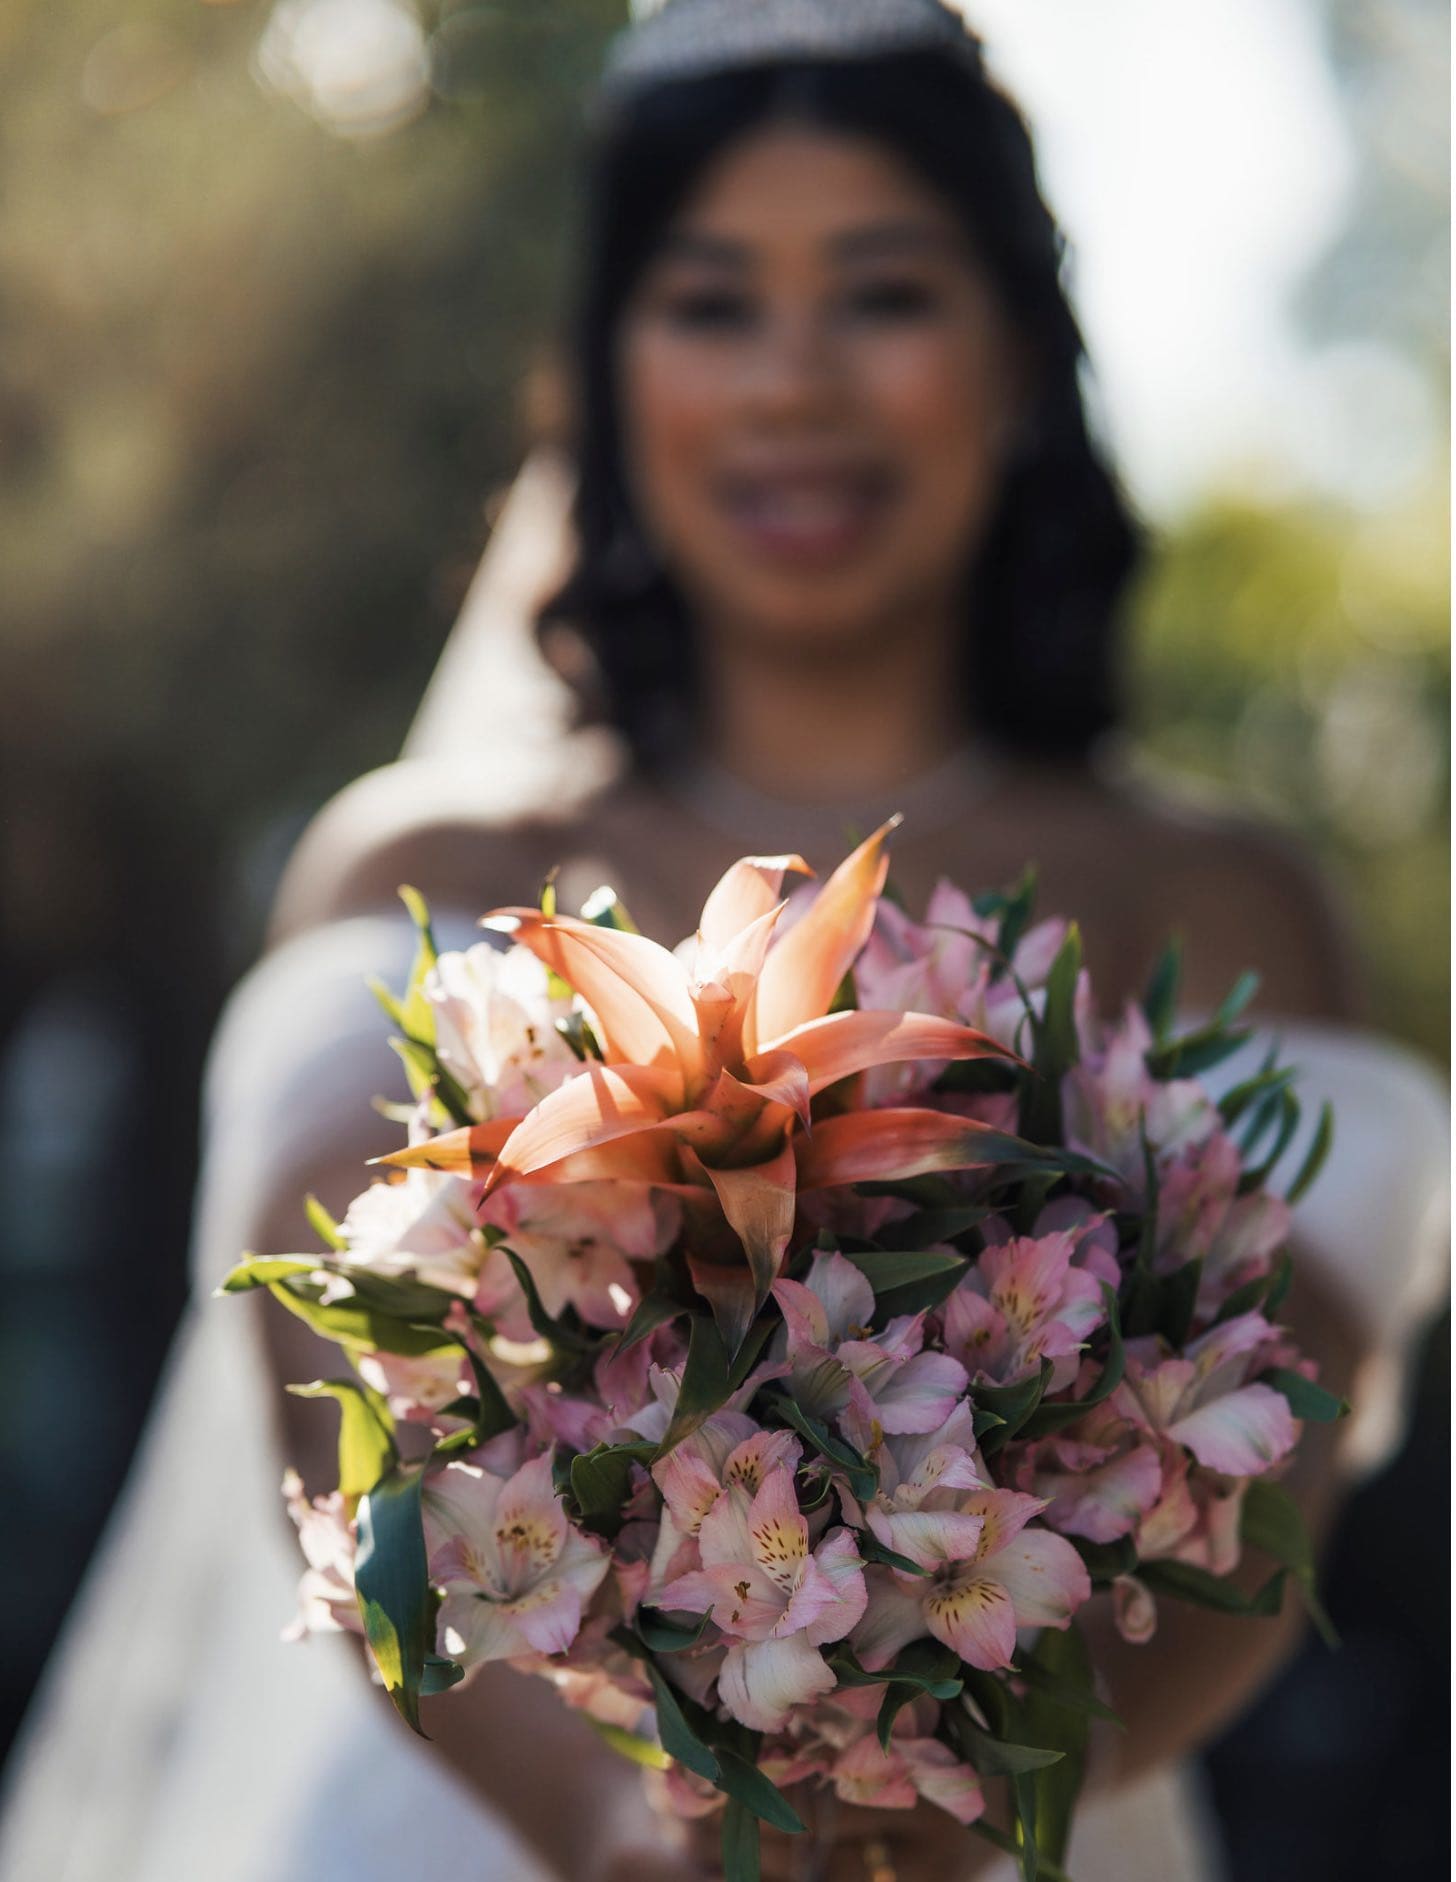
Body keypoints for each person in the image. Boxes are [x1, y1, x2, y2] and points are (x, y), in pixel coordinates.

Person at [1, 4, 1446, 1880]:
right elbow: (330, 1420)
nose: (792, 385)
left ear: (1016, 352)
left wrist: (933, 1831)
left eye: (882, 295)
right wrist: (619, 1827)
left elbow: (1263, 1497)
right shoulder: (431, 866)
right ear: (604, 374)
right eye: (711, 304)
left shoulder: (1219, 902)